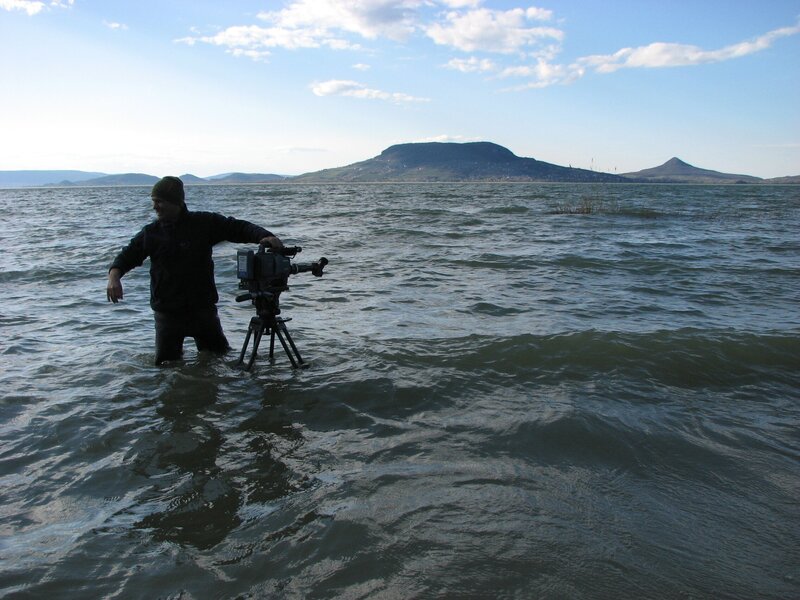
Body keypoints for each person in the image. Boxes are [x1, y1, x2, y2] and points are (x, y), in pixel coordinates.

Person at [107, 175, 283, 365]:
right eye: (153, 202)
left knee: (219, 360)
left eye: (159, 202)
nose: (154, 207)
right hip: (167, 315)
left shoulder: (203, 223)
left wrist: (264, 236)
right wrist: (114, 277)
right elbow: (127, 256)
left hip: (203, 311)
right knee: (166, 367)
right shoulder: (151, 233)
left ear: (175, 201)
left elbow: (237, 227)